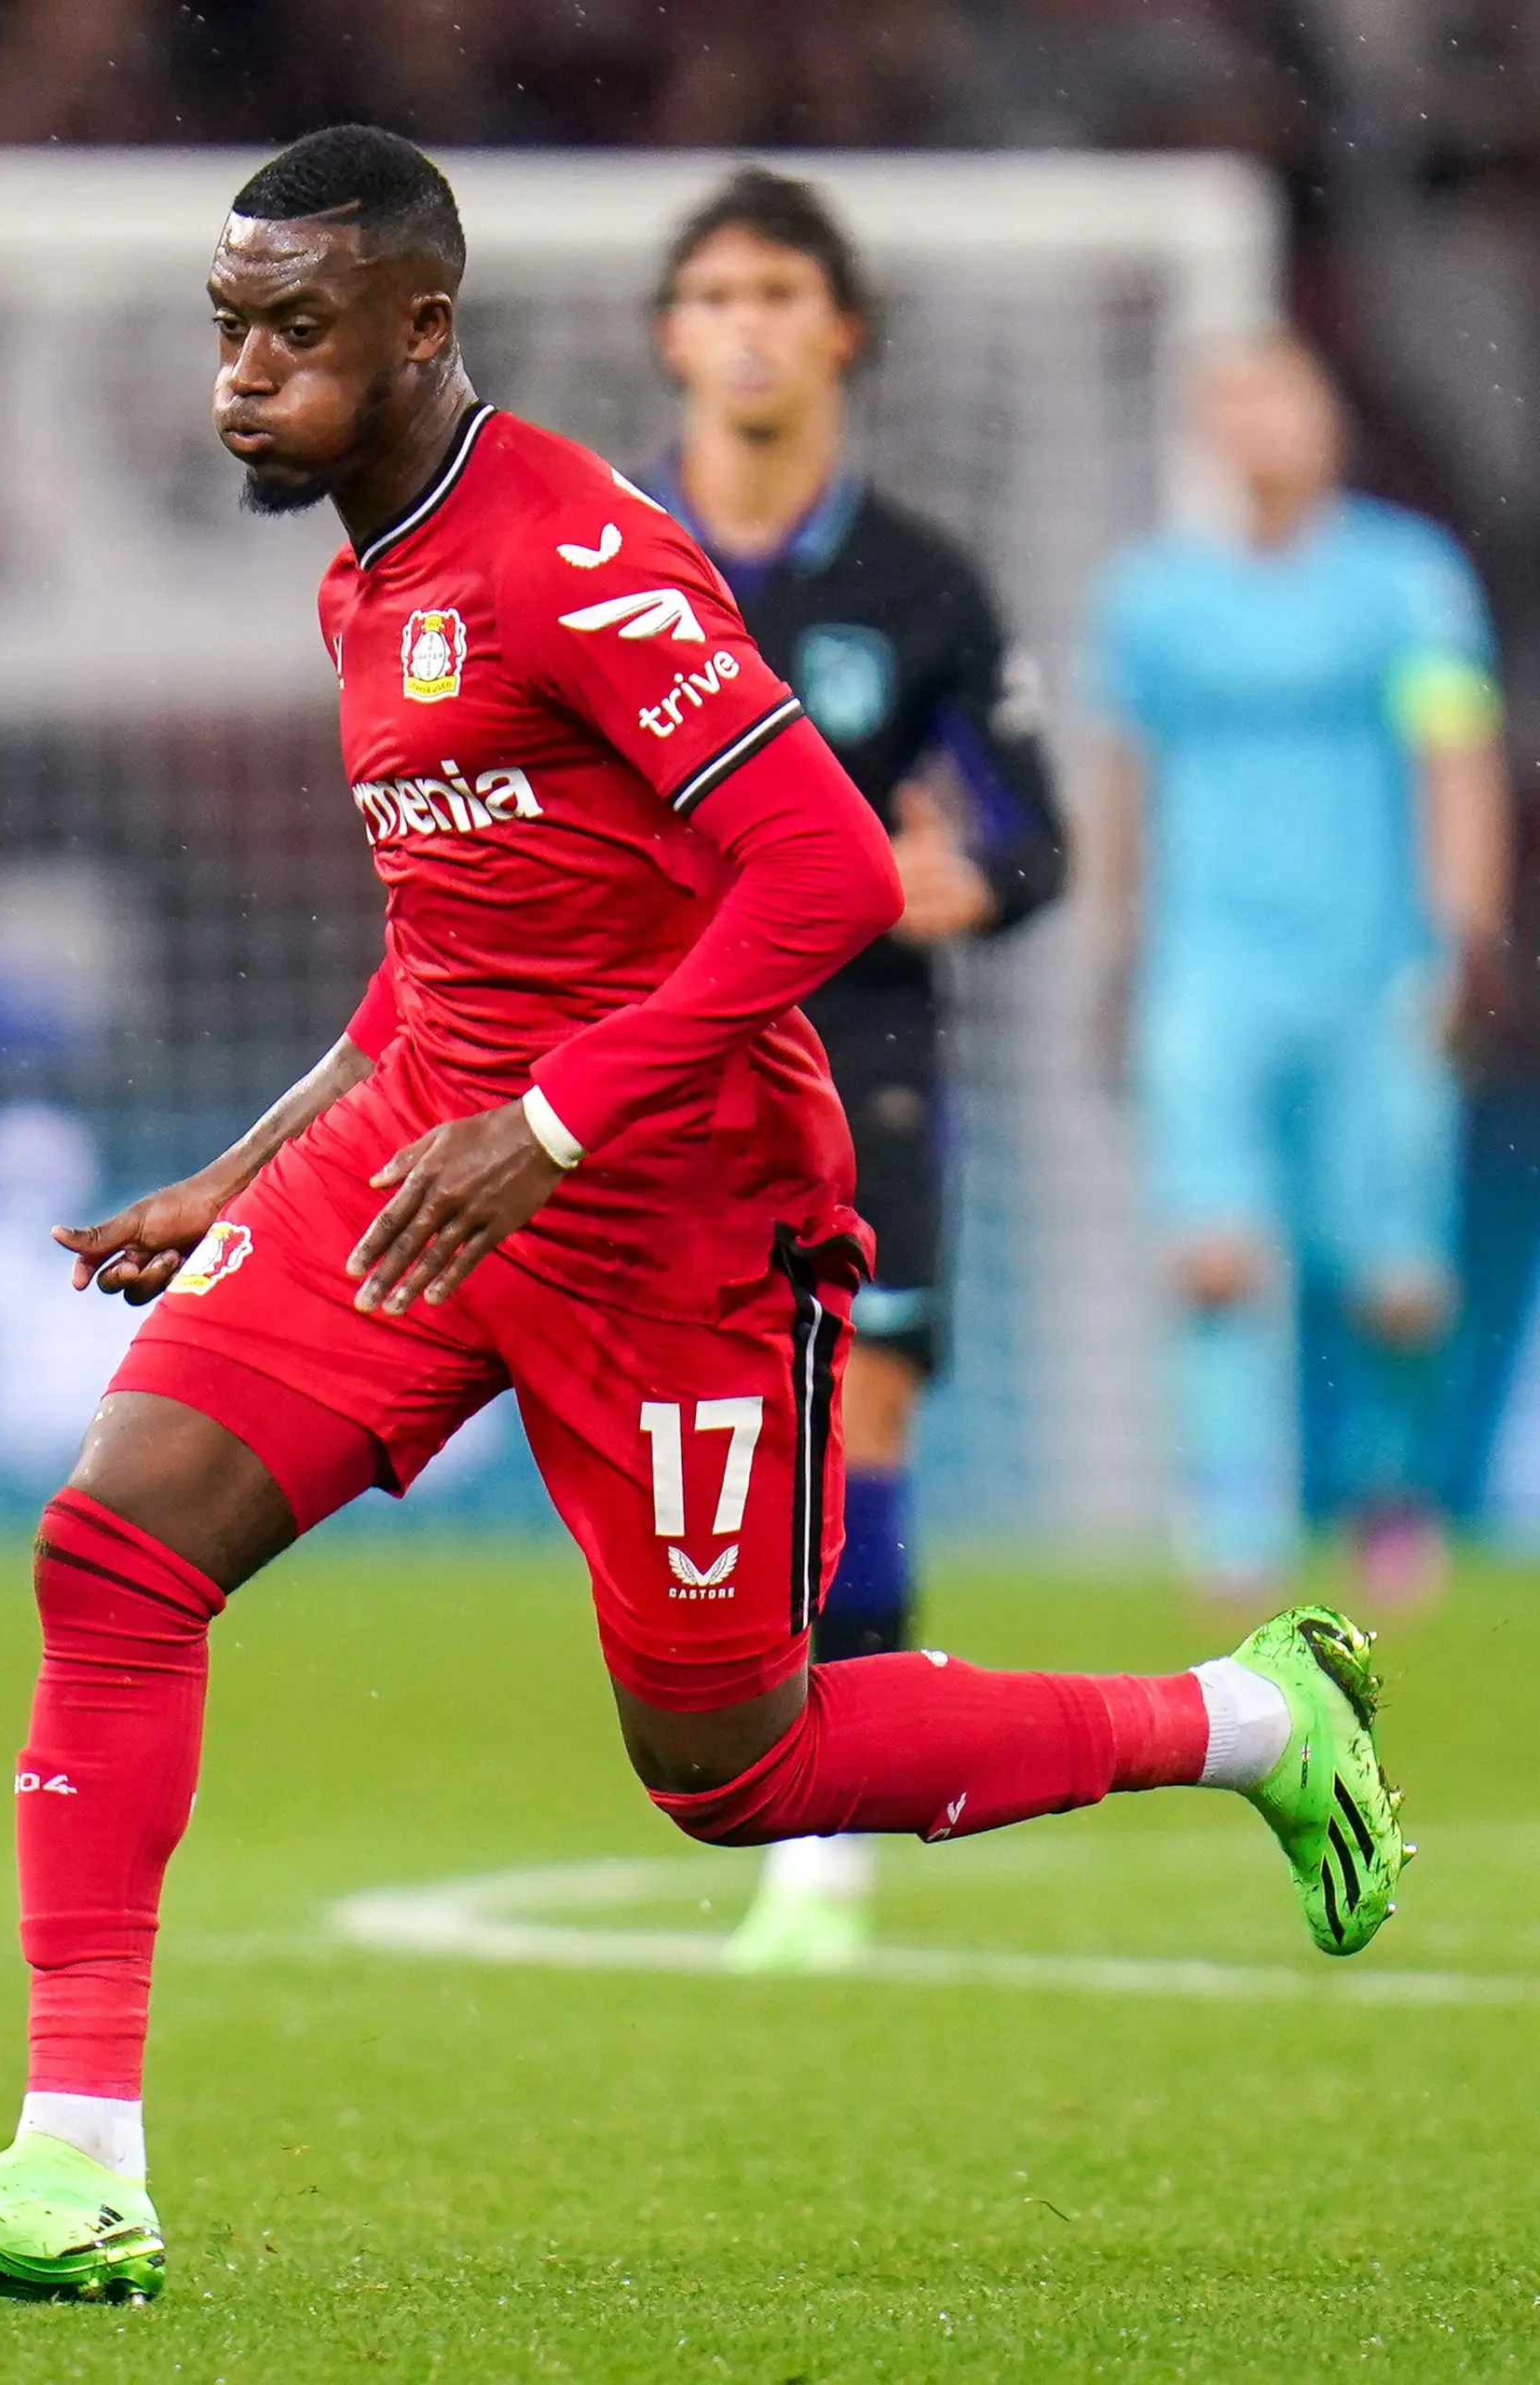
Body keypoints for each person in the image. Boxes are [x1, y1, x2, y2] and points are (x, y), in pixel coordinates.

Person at [0, 128, 1410, 2310]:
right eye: (228, 328)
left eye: (294, 329)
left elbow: (830, 870)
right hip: (435, 1160)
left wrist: (557, 1123)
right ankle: (76, 2159)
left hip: (675, 1208)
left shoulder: (573, 551)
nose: (243, 374)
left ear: (421, 327)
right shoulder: (365, 581)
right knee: (118, 1542)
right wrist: (244, 1168)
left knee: (734, 1763)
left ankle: (1245, 1716)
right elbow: (445, 951)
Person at [643, 167, 1070, 1974]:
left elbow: (1034, 839)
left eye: (778, 293)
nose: (747, 325)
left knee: (860, 1406)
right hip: (658, 1050)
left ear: (843, 334)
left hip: (865, 1045)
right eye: (716, 295)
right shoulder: (605, 562)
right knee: (709, 1444)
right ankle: (780, 1744)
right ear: (670, 337)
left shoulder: (921, 581)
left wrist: (953, 881)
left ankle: (826, 1835)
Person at [1090, 337, 1510, 1609]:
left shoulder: (1407, 581)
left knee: (1397, 1285)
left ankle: (1392, 1488)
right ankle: (1235, 1522)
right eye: (1235, 405)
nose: (1260, 427)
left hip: (1376, 960)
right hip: (1209, 962)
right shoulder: (1153, 600)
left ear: (1329, 421)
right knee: (1215, 1257)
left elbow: (1456, 756)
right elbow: (1125, 781)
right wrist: (1119, 953)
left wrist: (1468, 933)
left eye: (1281, 401)